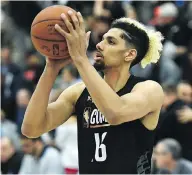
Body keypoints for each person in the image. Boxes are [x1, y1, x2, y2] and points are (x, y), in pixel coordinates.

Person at [22, 11, 164, 174]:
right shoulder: (78, 92)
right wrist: (51, 68)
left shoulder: (149, 89)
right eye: (102, 39)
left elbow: (115, 113)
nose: (99, 45)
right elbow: (31, 129)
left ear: (130, 54)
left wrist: (81, 59)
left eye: (111, 42)